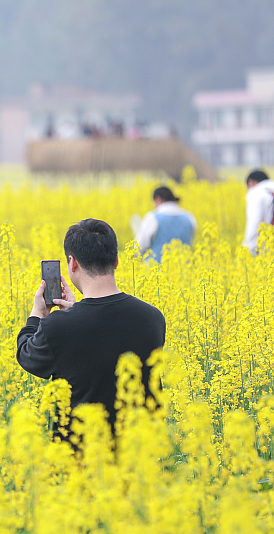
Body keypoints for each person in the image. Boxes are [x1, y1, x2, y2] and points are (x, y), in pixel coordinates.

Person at [16, 219, 166, 443]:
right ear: (116, 261)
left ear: (72, 263)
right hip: (140, 459)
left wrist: (38, 313)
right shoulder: (153, 317)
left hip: (80, 462)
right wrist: (76, 311)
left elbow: (26, 356)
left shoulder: (58, 327)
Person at [134, 186, 197, 261]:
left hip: (155, 270)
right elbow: (190, 242)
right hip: (183, 270)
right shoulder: (189, 218)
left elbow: (138, 248)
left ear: (158, 199)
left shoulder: (152, 218)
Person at [243, 169, 274, 254]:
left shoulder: (256, 193)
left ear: (251, 182)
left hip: (262, 247)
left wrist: (247, 248)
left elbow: (254, 222)